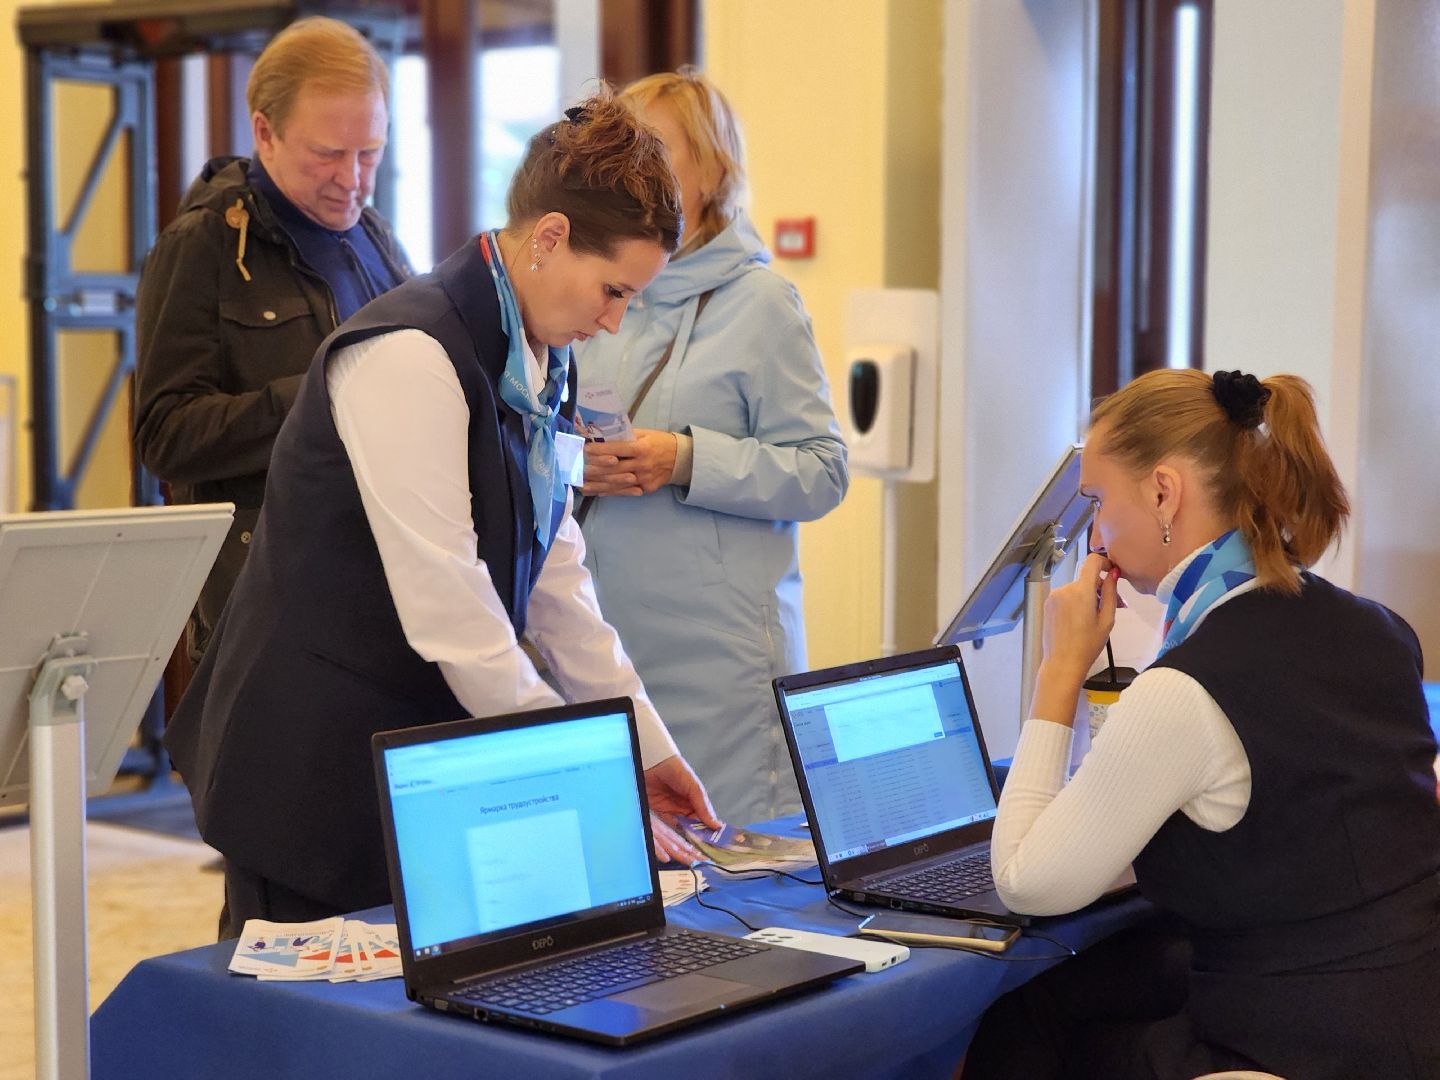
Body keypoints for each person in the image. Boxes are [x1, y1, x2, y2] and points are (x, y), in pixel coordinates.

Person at [164, 92, 721, 938]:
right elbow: (452, 608)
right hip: (307, 761)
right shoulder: (410, 354)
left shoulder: (535, 349)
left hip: (413, 753)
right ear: (550, 238)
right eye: (614, 291)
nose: (615, 319)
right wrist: (586, 778)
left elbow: (556, 579)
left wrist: (645, 745)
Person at [964, 370, 1440, 1079]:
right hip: (1408, 1014)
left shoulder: (1188, 686)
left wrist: (1060, 671)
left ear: (1163, 492)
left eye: (1098, 501)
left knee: (1020, 1023)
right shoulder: (1379, 630)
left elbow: (1026, 881)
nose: (1094, 533)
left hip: (1296, 1043)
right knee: (1095, 981)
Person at [576, 70, 847, 826]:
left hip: (717, 659)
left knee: (728, 876)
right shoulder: (597, 295)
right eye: (620, 150)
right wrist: (576, 463)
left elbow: (823, 473)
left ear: (713, 169)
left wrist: (685, 459)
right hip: (601, 640)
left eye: (655, 149)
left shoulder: (762, 304)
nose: (634, 169)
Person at [134, 16, 410, 657]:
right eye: (327, 154)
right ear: (264, 132)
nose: (353, 180)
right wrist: (321, 397)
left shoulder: (375, 239)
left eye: (369, 152)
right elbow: (164, 437)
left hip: (384, 594)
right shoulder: (201, 244)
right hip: (263, 615)